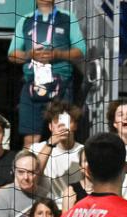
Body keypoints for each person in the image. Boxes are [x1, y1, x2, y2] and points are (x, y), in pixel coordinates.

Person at [7, 0, 86, 146]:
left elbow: (81, 51)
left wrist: (57, 54)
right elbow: (12, 54)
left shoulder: (67, 17)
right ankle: (30, 161)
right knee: (30, 138)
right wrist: (29, 55)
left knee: (63, 134)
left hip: (61, 84)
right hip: (32, 84)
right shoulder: (25, 20)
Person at [29, 101, 83, 202]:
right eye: (57, 121)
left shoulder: (83, 152)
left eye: (66, 121)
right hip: (47, 206)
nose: (61, 126)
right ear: (50, 126)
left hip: (76, 205)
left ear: (75, 125)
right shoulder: (36, 148)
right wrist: (50, 144)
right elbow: (32, 175)